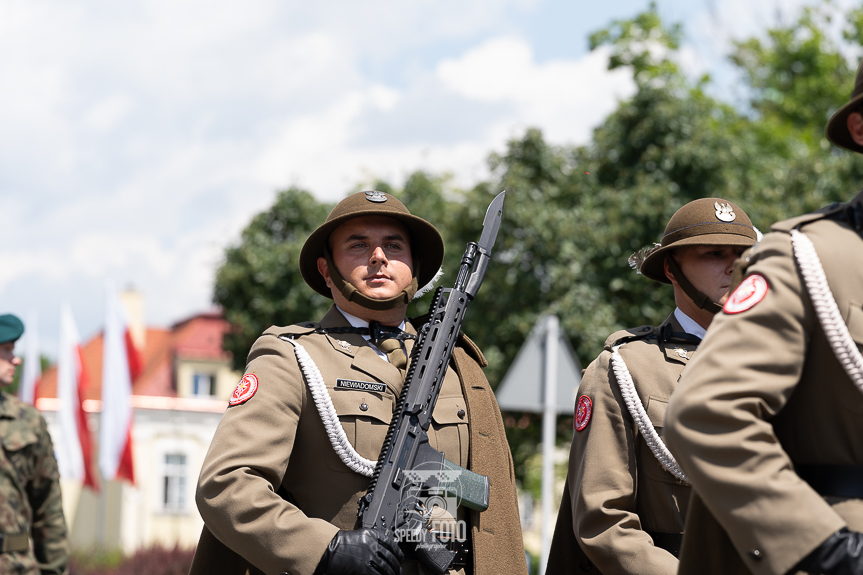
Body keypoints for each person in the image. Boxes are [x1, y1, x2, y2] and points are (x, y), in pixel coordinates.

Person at [190, 191, 527, 575]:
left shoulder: (458, 367)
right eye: (358, 245)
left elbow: (488, 505)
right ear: (326, 270)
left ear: (415, 266)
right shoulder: (293, 357)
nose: (379, 256)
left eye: (393, 245)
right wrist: (324, 549)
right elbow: (228, 485)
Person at [664, 59, 863, 575]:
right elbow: (708, 413)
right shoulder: (809, 260)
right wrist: (827, 550)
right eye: (709, 254)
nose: (726, 265)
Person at [545, 198, 757, 574]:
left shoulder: (785, 361)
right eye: (714, 253)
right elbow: (603, 521)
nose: (735, 265)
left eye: (744, 253)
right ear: (672, 270)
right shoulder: (625, 369)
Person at [0, 313, 69, 575]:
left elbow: (48, 507)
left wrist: (54, 570)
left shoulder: (27, 421)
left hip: (13, 566)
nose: (15, 359)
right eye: (6, 350)